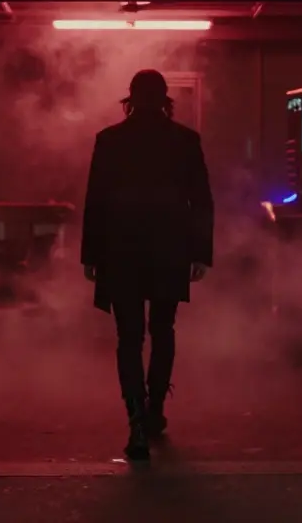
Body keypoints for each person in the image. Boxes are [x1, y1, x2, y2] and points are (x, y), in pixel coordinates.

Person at [80, 69, 214, 460]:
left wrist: (91, 256)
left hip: (120, 251)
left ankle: (136, 418)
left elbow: (96, 202)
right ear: (164, 97)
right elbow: (201, 200)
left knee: (129, 337)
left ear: (131, 98)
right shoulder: (185, 140)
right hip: (169, 249)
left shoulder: (109, 141)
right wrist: (200, 252)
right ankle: (155, 409)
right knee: (163, 329)